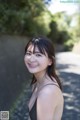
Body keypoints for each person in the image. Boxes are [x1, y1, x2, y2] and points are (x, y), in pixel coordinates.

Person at [24, 36, 64, 120]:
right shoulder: (37, 83)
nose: (31, 59)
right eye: (28, 53)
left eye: (38, 55)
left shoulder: (48, 92)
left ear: (50, 61)